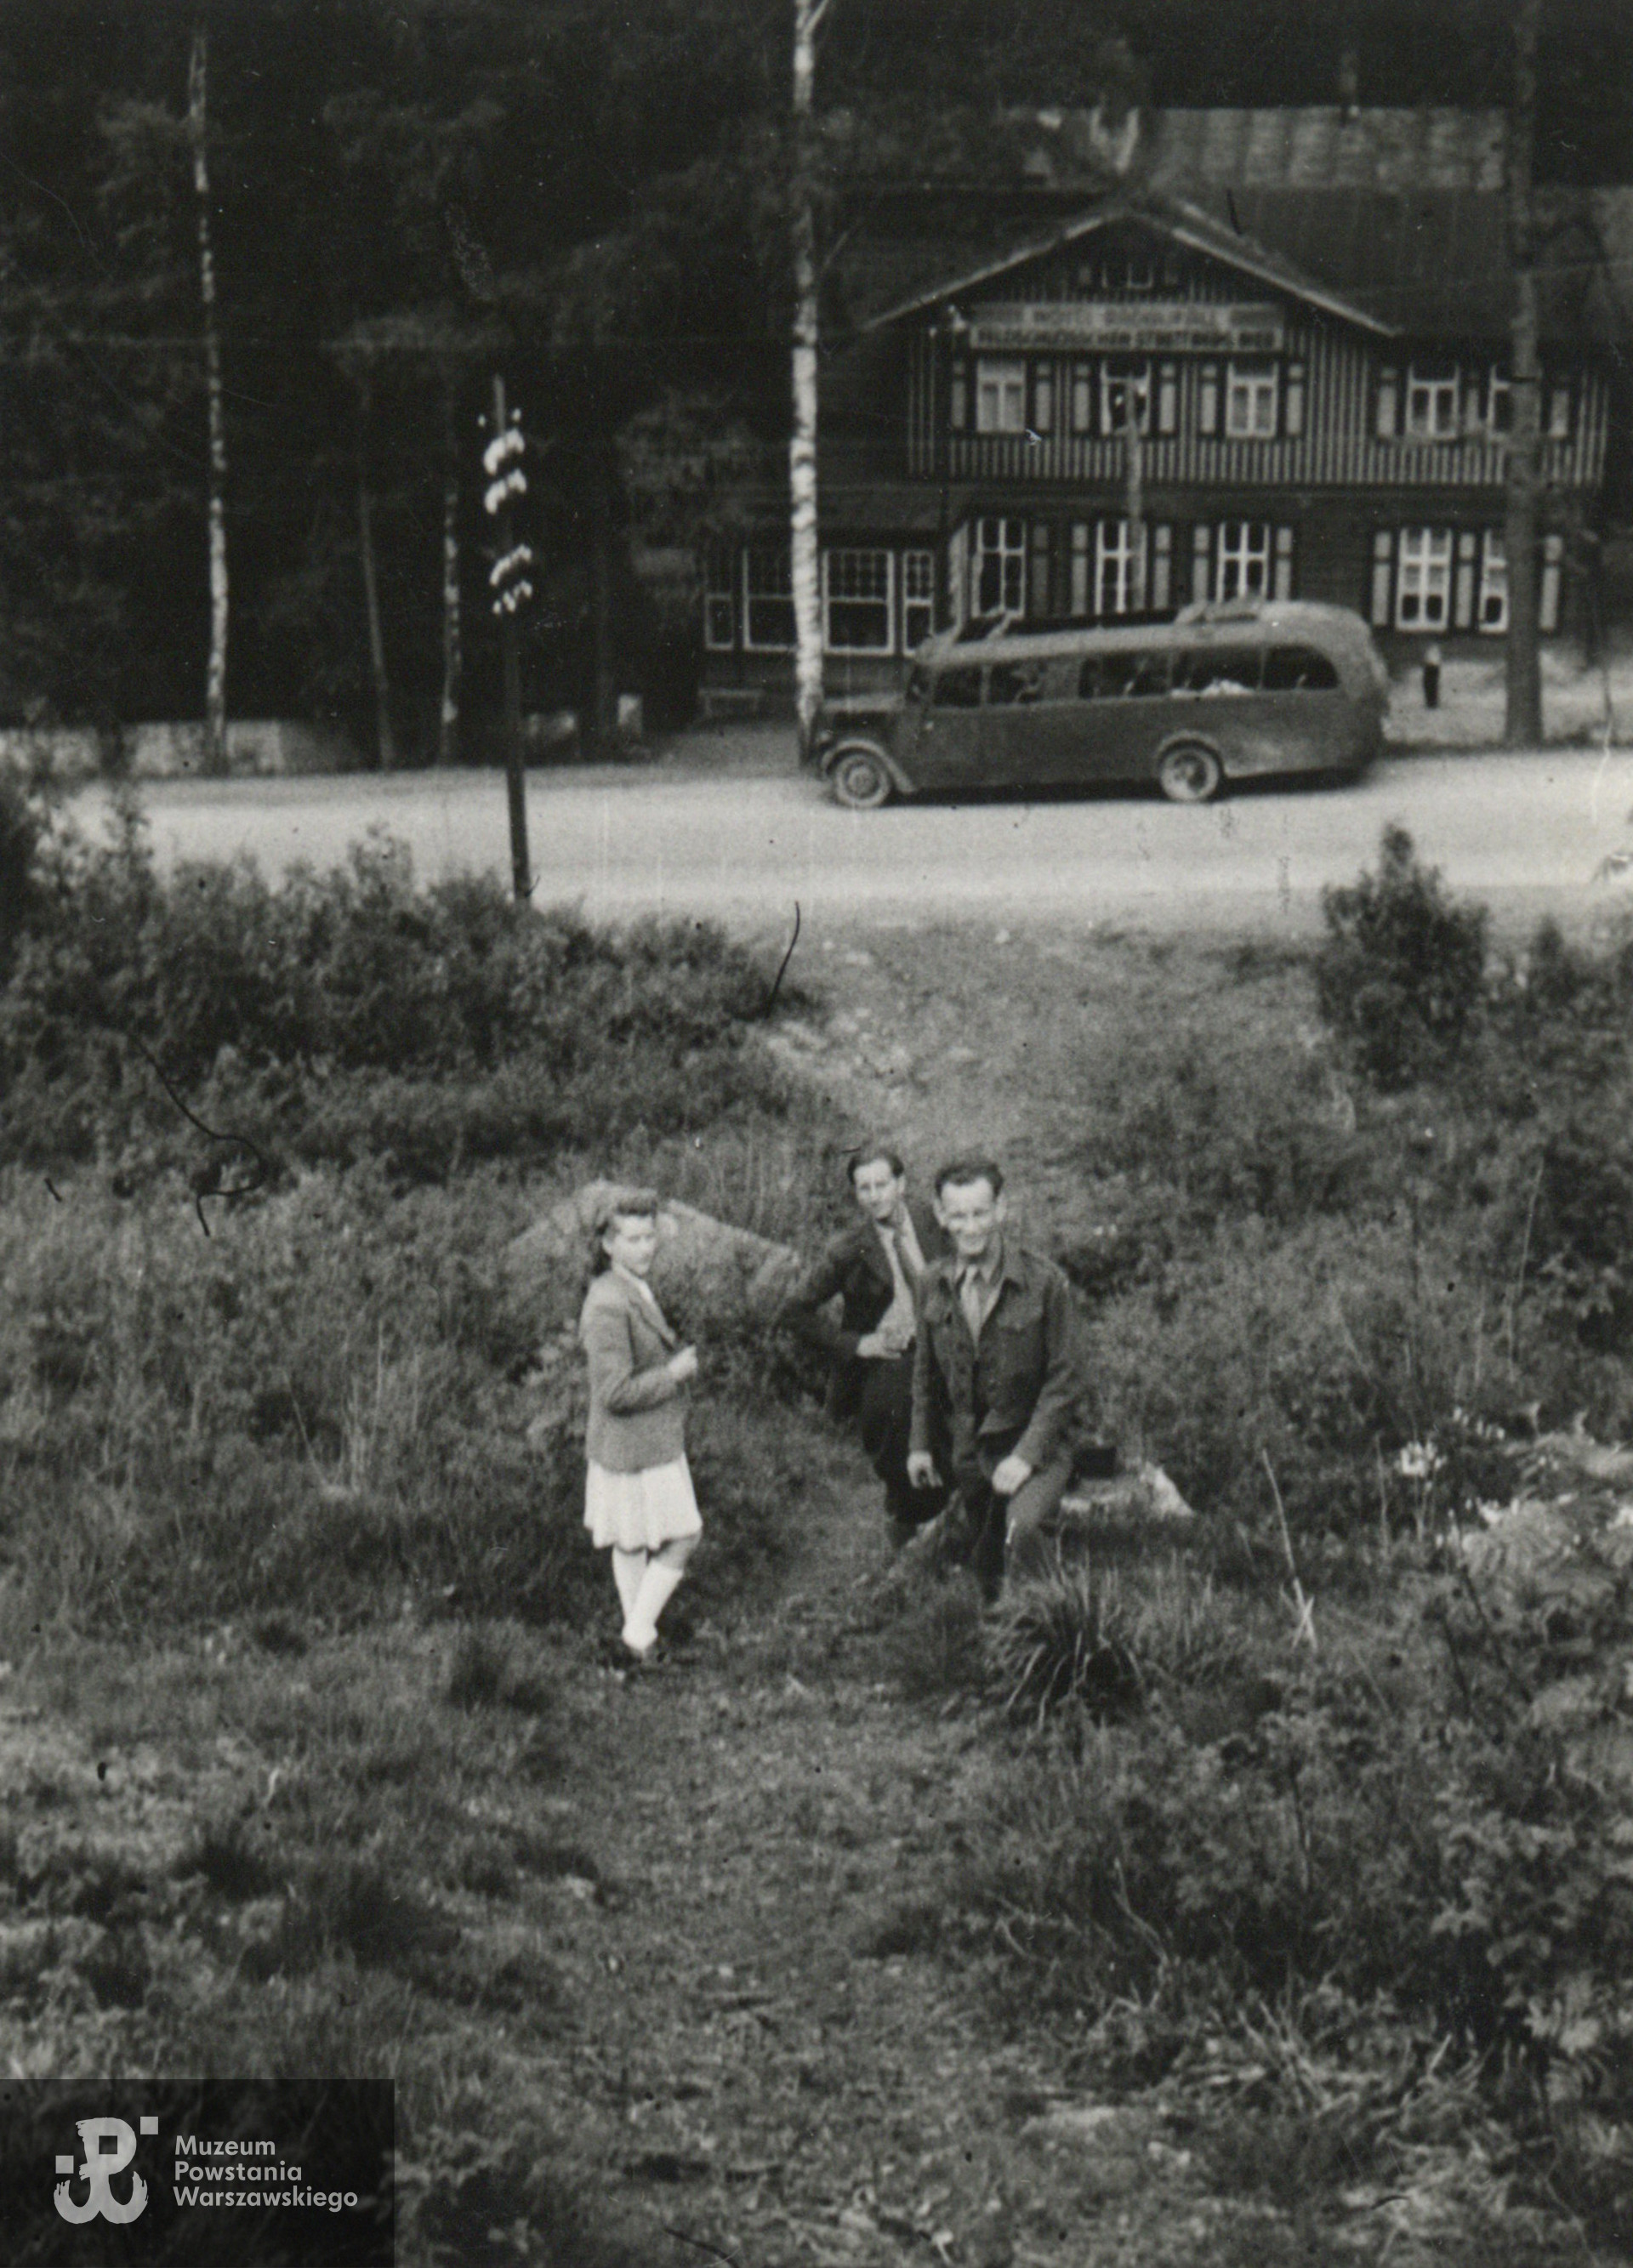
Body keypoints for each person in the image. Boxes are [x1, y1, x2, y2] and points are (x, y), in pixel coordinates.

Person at [907, 1158, 1088, 1600]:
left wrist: (1025, 1456)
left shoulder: (1045, 1282)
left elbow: (1067, 1379)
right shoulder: (930, 1283)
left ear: (1001, 1209)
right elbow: (925, 1371)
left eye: (980, 1213)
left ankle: (1046, 1623)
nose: (970, 1228)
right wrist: (920, 1445)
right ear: (941, 1215)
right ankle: (999, 1621)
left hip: (1038, 1445)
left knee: (1024, 1530)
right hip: (971, 1452)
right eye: (958, 1216)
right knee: (987, 1566)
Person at [778, 1144, 948, 1543]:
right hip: (893, 1354)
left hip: (947, 1342)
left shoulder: (934, 1221)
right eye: (864, 1188)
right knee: (891, 1414)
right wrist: (858, 1345)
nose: (874, 1196)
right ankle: (909, 1518)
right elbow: (793, 1311)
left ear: (901, 1184)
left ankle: (958, 1512)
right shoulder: (848, 1248)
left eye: (882, 1185)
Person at [579, 1188, 701, 1664]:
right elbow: (613, 1393)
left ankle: (639, 1645)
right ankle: (635, 1635)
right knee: (685, 1534)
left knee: (630, 1543)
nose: (646, 1248)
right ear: (609, 1245)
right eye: (633, 1239)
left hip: (639, 1443)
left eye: (650, 1237)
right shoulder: (607, 1303)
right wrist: (673, 1375)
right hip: (634, 1447)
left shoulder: (631, 1287)